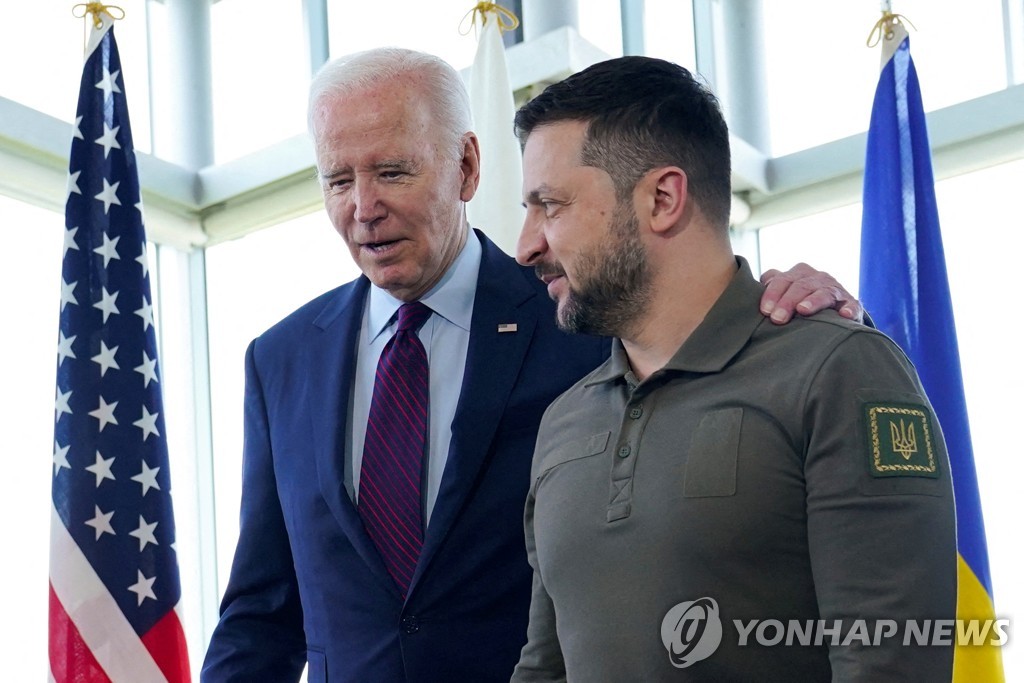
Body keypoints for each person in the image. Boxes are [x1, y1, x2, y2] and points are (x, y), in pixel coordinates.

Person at [200, 48, 866, 683]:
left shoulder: (584, 313)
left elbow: (702, 325)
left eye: (393, 172)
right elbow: (263, 611)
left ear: (465, 166)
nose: (363, 207)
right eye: (338, 180)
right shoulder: (281, 359)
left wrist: (796, 305)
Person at [510, 56, 957, 682]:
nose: (526, 244)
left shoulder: (838, 370)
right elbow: (545, 667)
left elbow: (892, 663)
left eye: (549, 206)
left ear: (662, 198)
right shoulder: (564, 418)